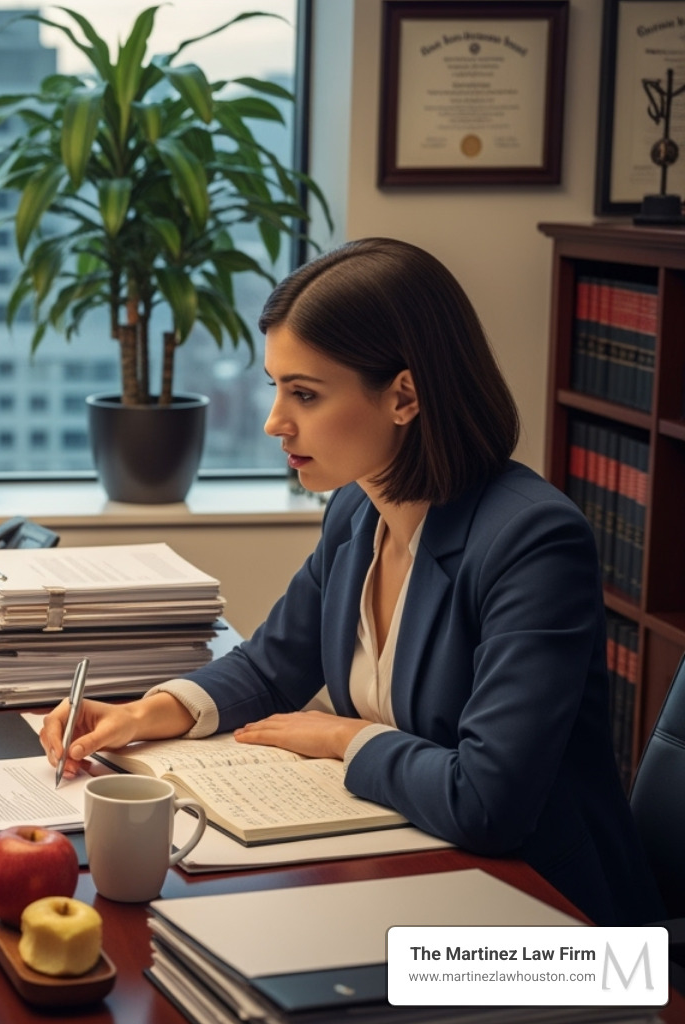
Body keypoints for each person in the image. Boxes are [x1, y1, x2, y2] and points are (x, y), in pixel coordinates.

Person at [40, 237, 664, 927]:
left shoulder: (533, 542)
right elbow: (273, 665)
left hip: (552, 924)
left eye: (305, 393)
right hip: (420, 876)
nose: (277, 421)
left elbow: (488, 801)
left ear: (404, 396)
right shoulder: (357, 509)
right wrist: (142, 713)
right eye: (277, 387)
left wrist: (342, 738)